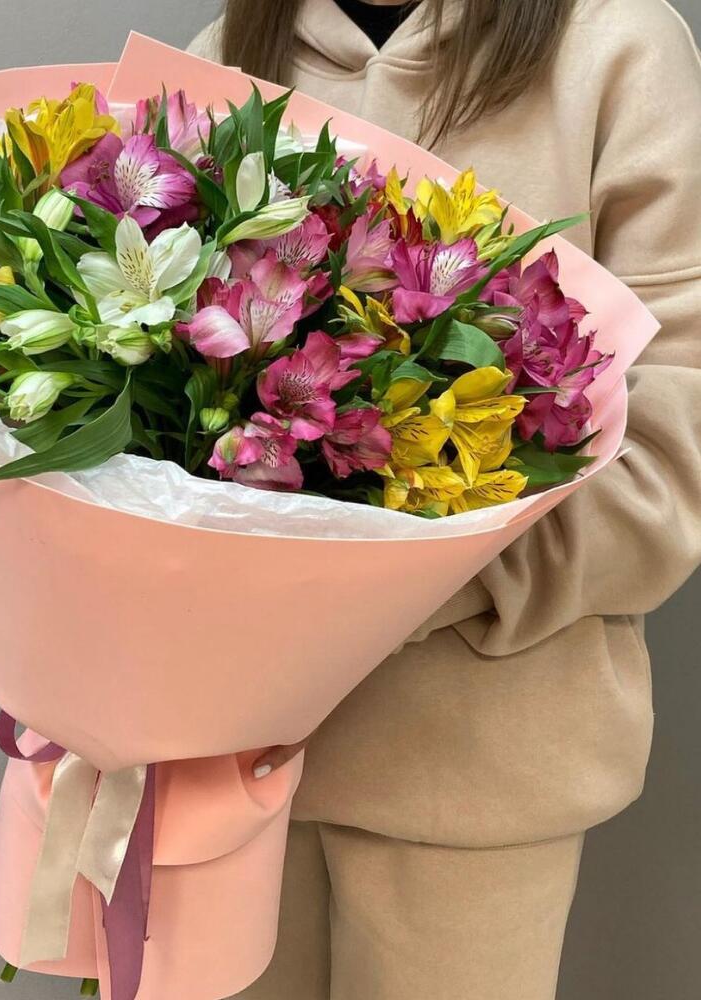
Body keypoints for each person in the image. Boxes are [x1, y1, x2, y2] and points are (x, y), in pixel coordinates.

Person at [187, 2, 701, 998]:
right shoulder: (226, 59)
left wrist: (372, 590)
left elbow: (667, 467)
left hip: (474, 780)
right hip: (220, 771)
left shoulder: (614, 47)